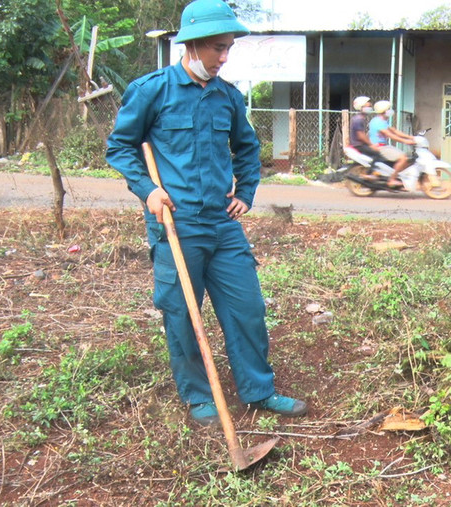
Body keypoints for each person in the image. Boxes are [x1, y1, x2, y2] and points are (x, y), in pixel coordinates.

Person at [105, 0, 307, 426]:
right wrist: (148, 191)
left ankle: (258, 390)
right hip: (175, 223)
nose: (224, 57)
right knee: (182, 312)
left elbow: (247, 149)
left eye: (228, 47)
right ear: (192, 45)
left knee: (247, 307)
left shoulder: (228, 98)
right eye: (217, 47)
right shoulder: (151, 91)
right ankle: (199, 396)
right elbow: (120, 146)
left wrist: (246, 193)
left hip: (222, 222)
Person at [368, 100, 416, 188]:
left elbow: (394, 131)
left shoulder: (383, 121)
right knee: (403, 158)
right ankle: (392, 179)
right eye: (389, 109)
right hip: (379, 147)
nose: (391, 111)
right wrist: (406, 141)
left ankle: (397, 177)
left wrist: (411, 137)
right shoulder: (377, 122)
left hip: (384, 146)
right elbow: (390, 135)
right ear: (383, 111)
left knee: (405, 158)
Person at [348, 95, 382, 166]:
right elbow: (361, 136)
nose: (370, 108)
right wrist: (372, 145)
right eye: (367, 107)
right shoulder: (359, 119)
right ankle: (369, 174)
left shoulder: (359, 118)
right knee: (378, 155)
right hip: (358, 146)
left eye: (370, 107)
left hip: (359, 145)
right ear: (361, 108)